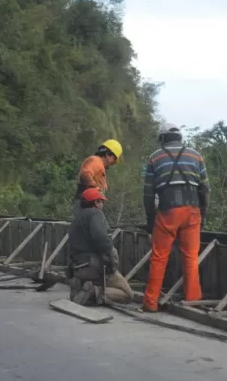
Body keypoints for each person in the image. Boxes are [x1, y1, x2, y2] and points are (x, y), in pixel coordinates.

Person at [141, 123, 210, 312]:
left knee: (159, 257)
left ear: (163, 139)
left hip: (167, 211)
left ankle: (150, 303)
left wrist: (150, 220)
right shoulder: (196, 156)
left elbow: (148, 193)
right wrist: (202, 214)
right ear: (180, 138)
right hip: (192, 210)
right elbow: (205, 189)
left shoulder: (155, 157)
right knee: (190, 257)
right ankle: (193, 301)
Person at [67, 187, 133, 306]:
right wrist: (111, 252)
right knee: (127, 294)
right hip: (94, 268)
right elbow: (100, 237)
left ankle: (80, 286)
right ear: (96, 202)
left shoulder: (76, 219)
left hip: (76, 269)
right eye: (101, 201)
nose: (103, 204)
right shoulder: (95, 213)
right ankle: (95, 291)